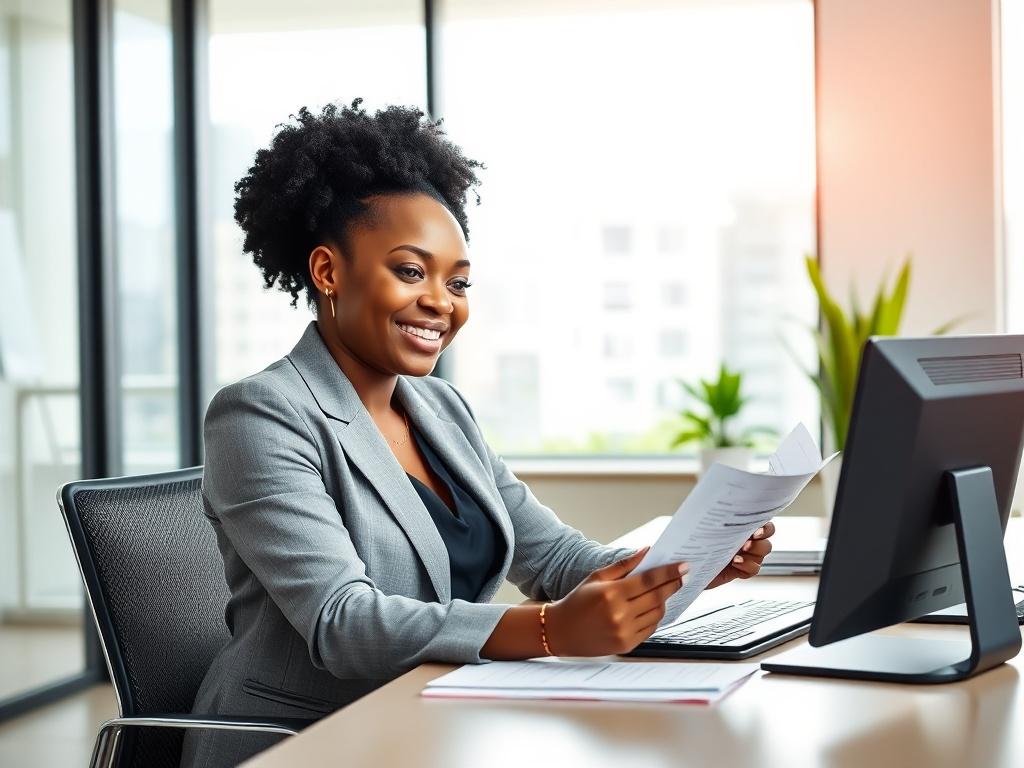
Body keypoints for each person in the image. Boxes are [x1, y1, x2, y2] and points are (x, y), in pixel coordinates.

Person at [181, 99, 775, 768]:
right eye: (410, 271)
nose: (441, 301)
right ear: (328, 272)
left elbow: (552, 560)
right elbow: (342, 623)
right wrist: (549, 630)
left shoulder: (442, 411)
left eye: (458, 281)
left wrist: (683, 561)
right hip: (305, 741)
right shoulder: (261, 414)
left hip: (432, 718)